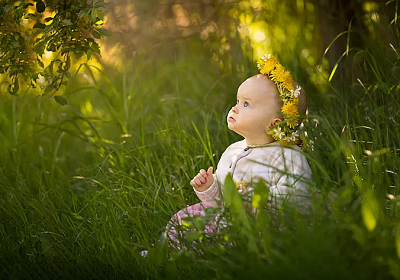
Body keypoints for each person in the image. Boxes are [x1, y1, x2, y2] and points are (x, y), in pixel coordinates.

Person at [166, 54, 312, 250]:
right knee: (183, 221)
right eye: (237, 100)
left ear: (274, 124)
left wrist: (255, 200)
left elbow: (297, 199)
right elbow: (222, 202)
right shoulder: (233, 151)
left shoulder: (288, 157)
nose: (234, 109)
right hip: (231, 222)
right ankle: (162, 256)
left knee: (229, 241)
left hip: (267, 229)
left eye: (246, 104)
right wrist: (209, 188)